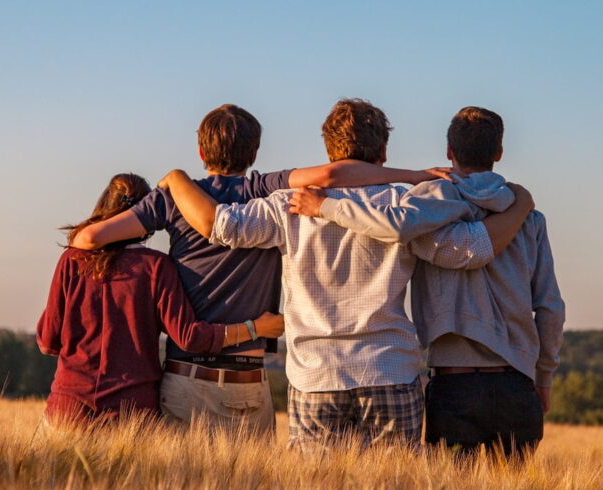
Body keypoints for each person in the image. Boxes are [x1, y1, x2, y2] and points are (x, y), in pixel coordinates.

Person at [159, 98, 535, 450]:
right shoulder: (405, 206)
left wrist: (177, 179)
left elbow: (220, 226)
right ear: (383, 153)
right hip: (389, 369)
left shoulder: (287, 205)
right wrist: (520, 207)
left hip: (315, 376)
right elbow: (469, 250)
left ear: (328, 151)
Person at [68, 104, 454, 434]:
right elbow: (333, 175)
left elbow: (87, 240)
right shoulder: (264, 189)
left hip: (187, 376)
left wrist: (171, 185)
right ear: (254, 152)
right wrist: (415, 176)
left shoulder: (172, 199)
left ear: (200, 150)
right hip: (249, 380)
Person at [289, 106, 565, 459]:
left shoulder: (425, 207)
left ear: (449, 152)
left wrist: (326, 207)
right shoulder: (529, 217)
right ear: (498, 153)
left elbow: (396, 226)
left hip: (454, 385)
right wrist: (543, 377)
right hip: (517, 383)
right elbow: (551, 308)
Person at [36, 173, 284, 427]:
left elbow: (48, 341)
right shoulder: (156, 267)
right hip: (132, 413)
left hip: (68, 408)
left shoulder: (72, 260)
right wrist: (256, 328)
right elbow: (189, 337)